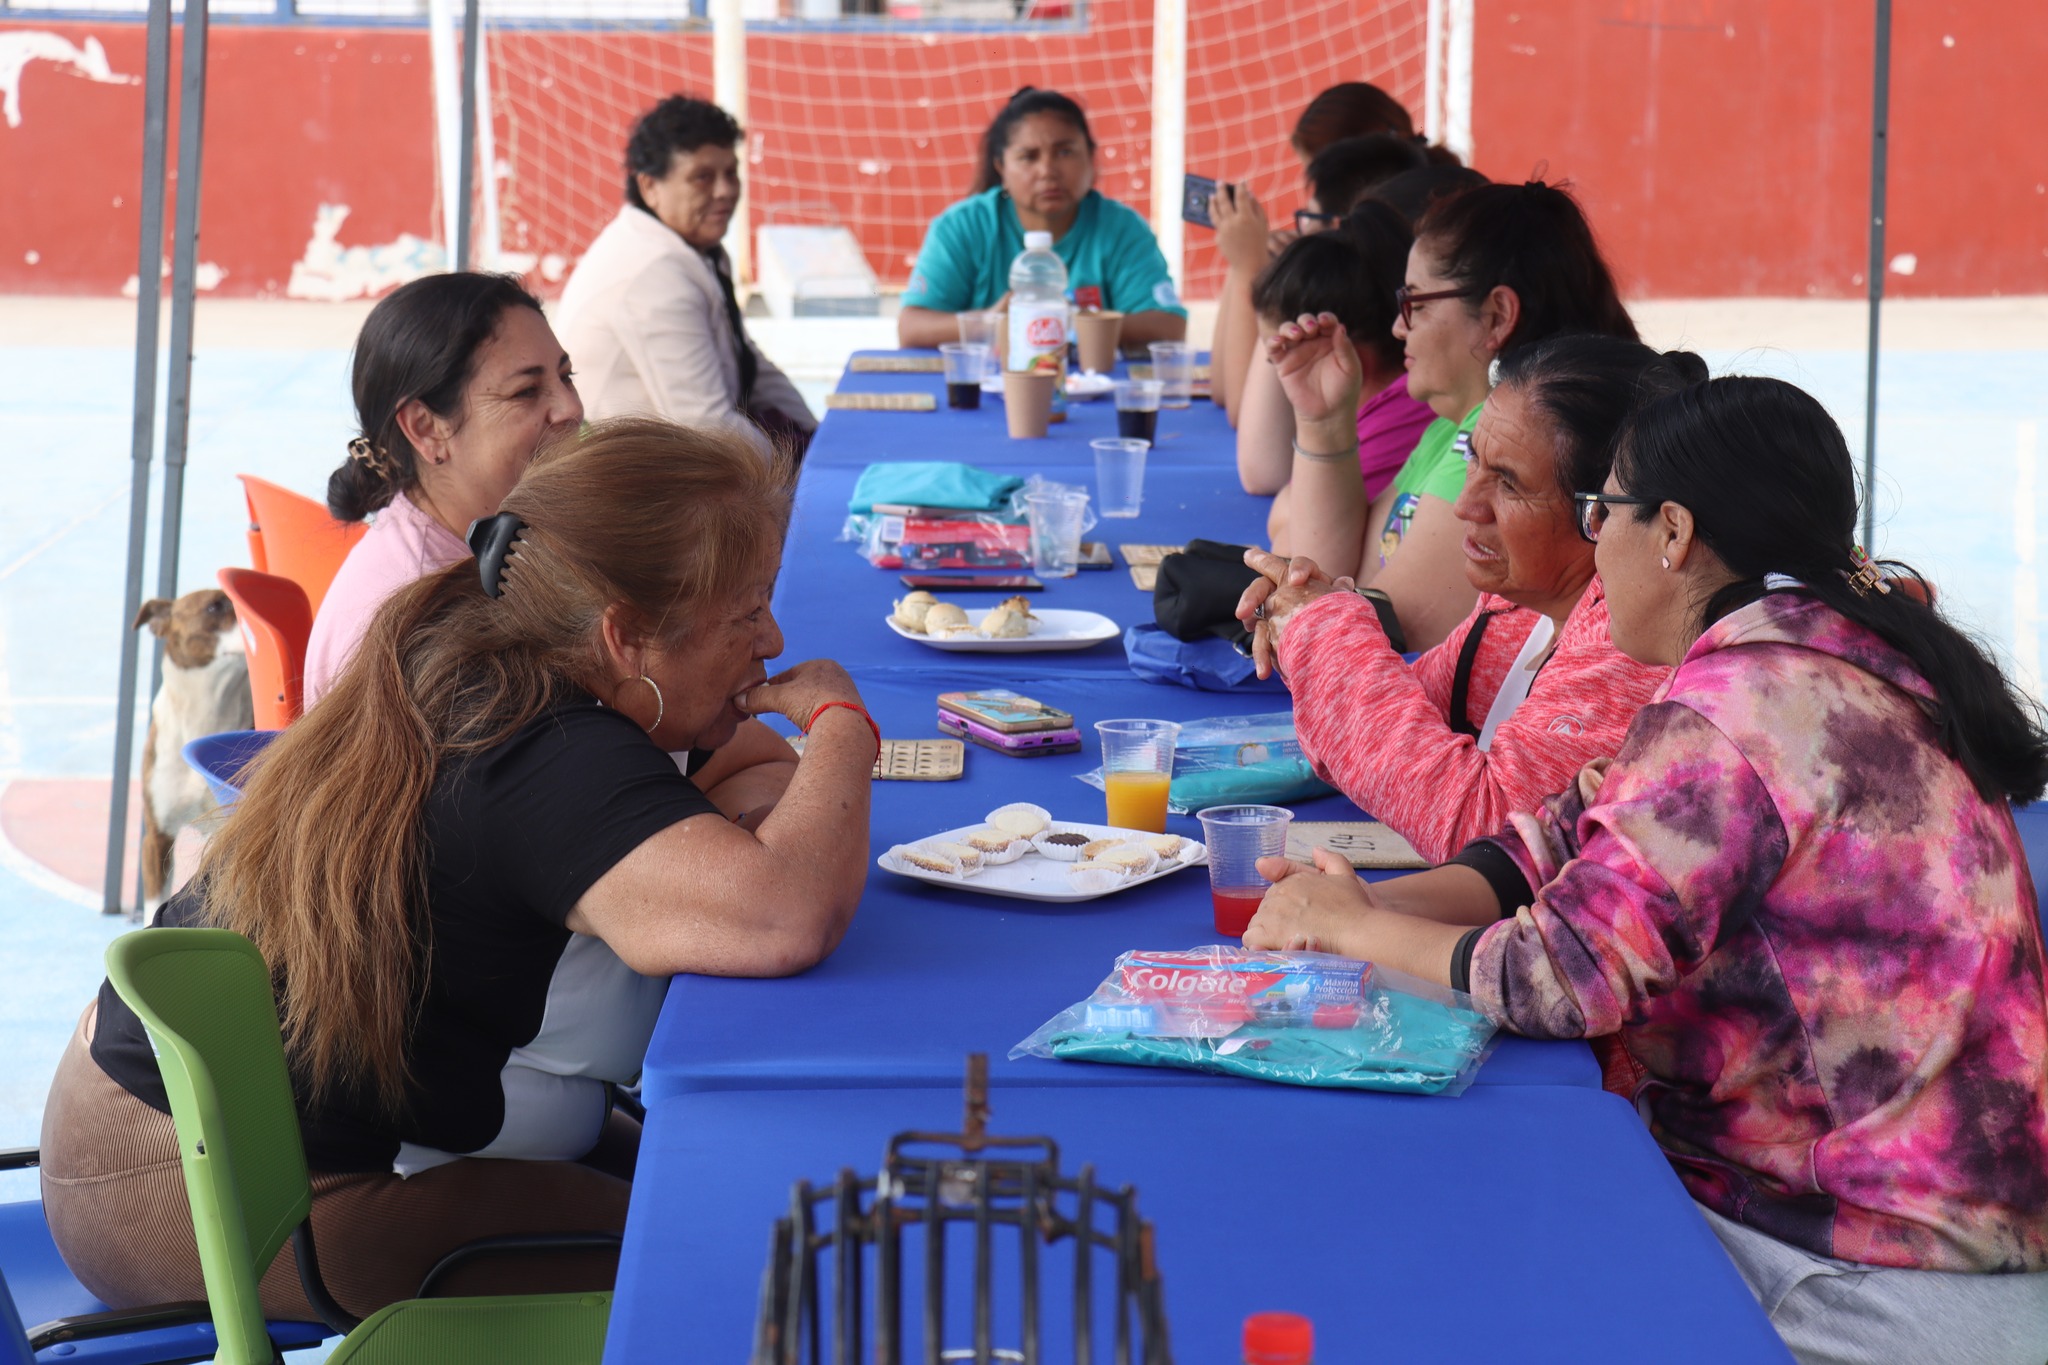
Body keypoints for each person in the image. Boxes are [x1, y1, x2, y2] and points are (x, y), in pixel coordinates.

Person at [1243, 377, 2048, 1365]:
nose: (1593, 545)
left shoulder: (1740, 706)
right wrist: (1356, 903)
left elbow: (1559, 978)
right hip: (1941, 1240)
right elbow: (1564, 836)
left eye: (1600, 512)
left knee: (1451, 1251)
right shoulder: (1837, 659)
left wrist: (1350, 931)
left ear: (1669, 531)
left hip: (1864, 1271)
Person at [42, 417, 878, 1321]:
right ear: (627, 636)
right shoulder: (547, 751)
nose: (773, 636)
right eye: (746, 612)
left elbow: (749, 774)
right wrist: (839, 725)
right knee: (738, 1265)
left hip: (168, 1113)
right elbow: (786, 914)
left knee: (721, 1186)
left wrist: (764, 819)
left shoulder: (500, 637)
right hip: (191, 1176)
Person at [1235, 335, 1683, 864]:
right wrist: (1305, 623)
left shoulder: (1631, 646)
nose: (1466, 505)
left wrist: (1323, 630)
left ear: (1601, 512)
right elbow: (1380, 750)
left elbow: (1484, 833)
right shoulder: (1518, 608)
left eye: (1510, 485)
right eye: (1474, 461)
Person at [1284, 179, 1638, 652]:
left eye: (1414, 304)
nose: (1397, 327)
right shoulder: (1450, 425)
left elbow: (1394, 627)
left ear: (1496, 316)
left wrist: (1291, 605)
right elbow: (1334, 571)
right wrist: (1323, 423)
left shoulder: (1499, 440)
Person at [306, 271, 583, 708]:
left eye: (567, 377)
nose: (571, 408)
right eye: (526, 391)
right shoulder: (426, 619)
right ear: (426, 428)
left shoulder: (483, 542)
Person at [555, 94, 816, 458]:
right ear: (649, 187)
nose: (725, 191)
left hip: (684, 458)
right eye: (702, 178)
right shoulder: (652, 274)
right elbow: (707, 427)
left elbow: (748, 362)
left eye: (731, 173)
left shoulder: (692, 249)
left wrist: (816, 436)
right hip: (647, 485)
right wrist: (800, 475)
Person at [896, 88, 1187, 350]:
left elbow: (1169, 325)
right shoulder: (962, 227)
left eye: (1064, 152)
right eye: (1028, 156)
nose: (1047, 170)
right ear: (1002, 167)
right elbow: (911, 327)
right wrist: (990, 322)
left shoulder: (1122, 229)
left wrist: (1070, 323)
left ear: (1091, 159)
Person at [1234, 204, 1434, 553]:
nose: (1405, 327)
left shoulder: (1408, 408)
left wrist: (1243, 266)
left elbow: (1301, 548)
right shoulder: (1399, 402)